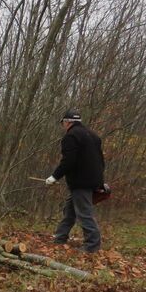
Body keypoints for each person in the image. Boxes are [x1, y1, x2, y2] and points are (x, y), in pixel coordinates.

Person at [44, 108, 105, 252]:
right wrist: (99, 181)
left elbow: (68, 161)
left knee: (84, 214)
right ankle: (60, 238)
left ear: (67, 122)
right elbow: (101, 161)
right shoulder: (93, 135)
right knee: (69, 210)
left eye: (63, 123)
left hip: (81, 182)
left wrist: (54, 176)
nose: (63, 126)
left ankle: (92, 246)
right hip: (91, 181)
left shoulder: (71, 137)